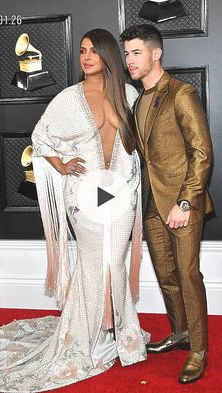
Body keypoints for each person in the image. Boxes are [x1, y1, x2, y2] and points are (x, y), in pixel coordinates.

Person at [0, 29, 150, 392]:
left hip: (121, 191)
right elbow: (40, 137)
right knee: (94, 262)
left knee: (115, 261)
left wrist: (134, 182)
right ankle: (85, 340)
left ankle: (117, 332)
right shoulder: (68, 98)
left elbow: (141, 144)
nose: (86, 57)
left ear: (109, 55)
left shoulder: (129, 94)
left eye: (93, 51)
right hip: (85, 192)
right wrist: (61, 166)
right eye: (82, 51)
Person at [120, 24, 214, 384]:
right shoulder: (140, 99)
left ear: (156, 53)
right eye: (126, 53)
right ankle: (181, 333)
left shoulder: (181, 93)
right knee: (167, 276)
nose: (130, 59)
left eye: (136, 52)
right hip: (151, 204)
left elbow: (202, 153)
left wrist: (186, 202)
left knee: (188, 276)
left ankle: (199, 351)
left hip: (181, 204)